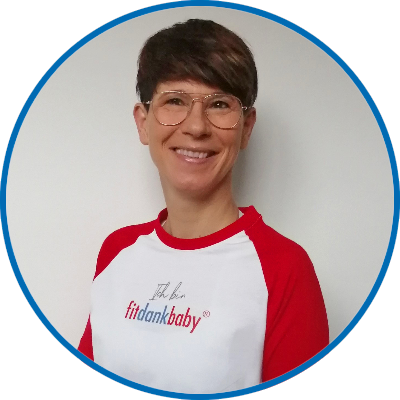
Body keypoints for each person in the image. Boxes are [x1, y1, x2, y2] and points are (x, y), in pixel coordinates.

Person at [78, 19, 329, 394]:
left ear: (246, 128)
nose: (196, 127)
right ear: (143, 123)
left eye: (220, 104)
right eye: (175, 101)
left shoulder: (284, 267)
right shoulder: (117, 250)